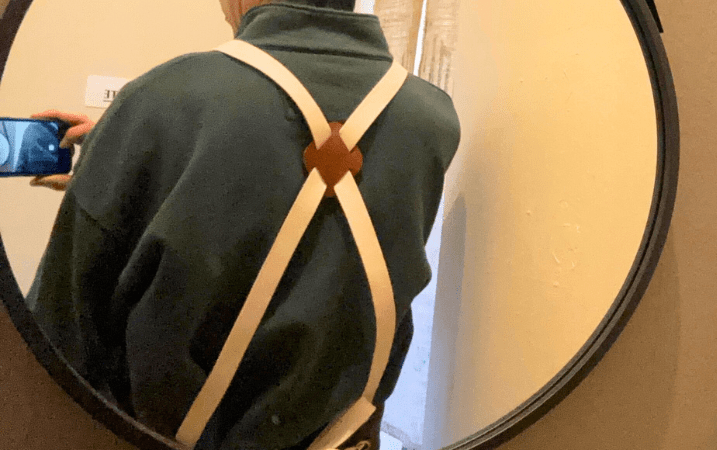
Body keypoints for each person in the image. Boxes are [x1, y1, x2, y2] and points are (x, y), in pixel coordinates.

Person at [27, 0, 460, 449]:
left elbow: (52, 348)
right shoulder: (432, 117)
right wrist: (139, 165)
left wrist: (129, 151)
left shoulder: (158, 100)